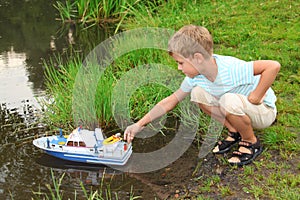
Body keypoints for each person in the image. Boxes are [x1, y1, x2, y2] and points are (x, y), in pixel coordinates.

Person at [124, 25, 280, 166]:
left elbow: (272, 66)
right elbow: (170, 101)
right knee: (198, 93)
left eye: (181, 63)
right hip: (238, 108)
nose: (179, 68)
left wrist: (256, 97)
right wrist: (139, 124)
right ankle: (235, 130)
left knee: (228, 101)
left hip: (263, 111)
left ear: (198, 58)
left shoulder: (231, 69)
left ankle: (250, 142)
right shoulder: (196, 77)